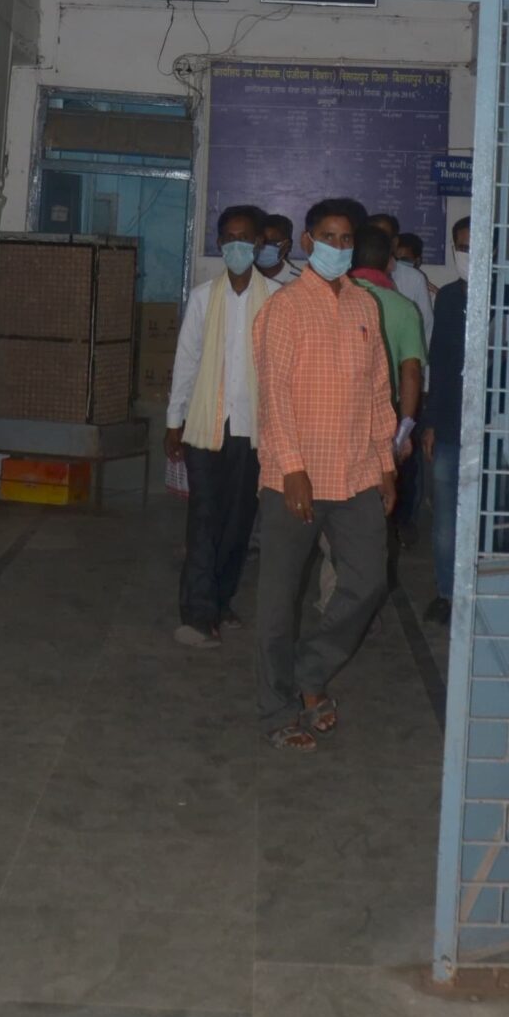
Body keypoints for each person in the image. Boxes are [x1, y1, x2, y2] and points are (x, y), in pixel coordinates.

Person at [252, 196, 396, 751]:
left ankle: (310, 671)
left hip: (356, 473)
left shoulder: (365, 306)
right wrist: (292, 469)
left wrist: (385, 465)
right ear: (309, 241)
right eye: (328, 237)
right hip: (296, 476)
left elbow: (378, 391)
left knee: (368, 581)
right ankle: (277, 709)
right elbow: (274, 396)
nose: (338, 247)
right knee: (278, 599)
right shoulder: (286, 309)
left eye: (346, 239)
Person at [165, 202, 277, 649]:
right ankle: (197, 612)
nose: (236, 245)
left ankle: (222, 599)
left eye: (245, 238)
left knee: (238, 522)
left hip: (253, 430)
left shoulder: (277, 300)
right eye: (229, 238)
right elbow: (187, 361)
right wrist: (173, 421)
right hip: (205, 427)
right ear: (218, 243)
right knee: (204, 519)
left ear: (260, 244)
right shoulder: (202, 298)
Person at [421, 215, 471, 624]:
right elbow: (438, 361)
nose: (467, 254)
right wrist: (431, 422)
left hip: (500, 428)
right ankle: (447, 593)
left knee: (502, 515)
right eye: (462, 247)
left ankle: (499, 590)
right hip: (452, 426)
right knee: (445, 518)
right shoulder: (450, 298)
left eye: (475, 245)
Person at [349, 221, 425, 471]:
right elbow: (411, 372)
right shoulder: (404, 308)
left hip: (334, 409)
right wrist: (403, 432)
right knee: (381, 484)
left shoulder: (335, 299)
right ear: (390, 262)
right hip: (384, 415)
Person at [371, 210, 433, 348]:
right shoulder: (352, 276)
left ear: (394, 242)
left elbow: (425, 329)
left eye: (384, 237)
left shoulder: (414, 278)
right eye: (373, 236)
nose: (378, 242)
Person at [256, 213, 298, 282]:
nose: (264, 246)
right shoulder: (244, 278)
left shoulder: (301, 282)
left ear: (287, 246)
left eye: (272, 243)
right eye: (262, 241)